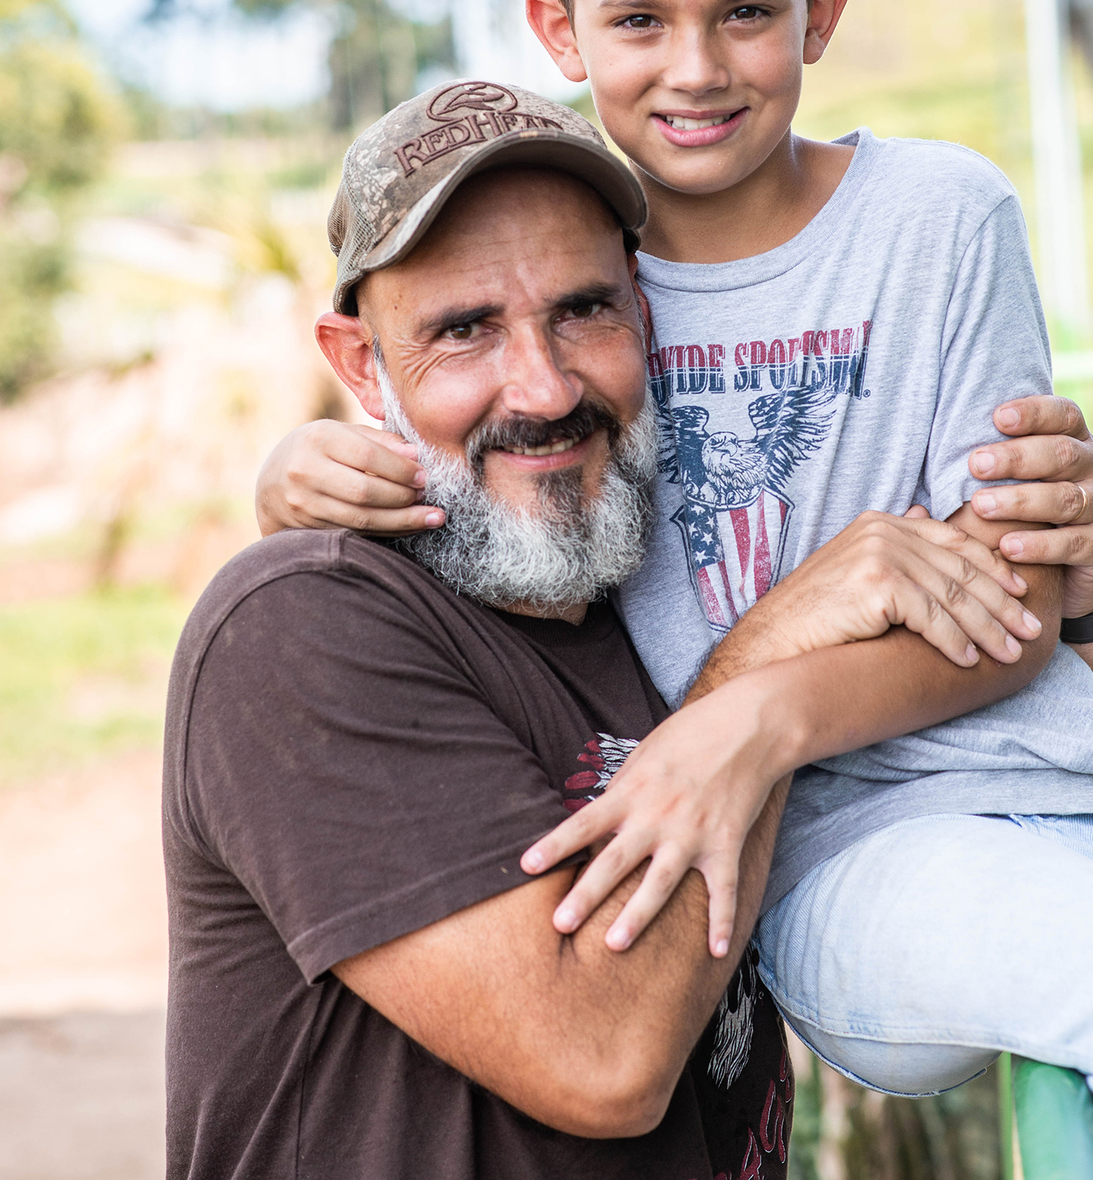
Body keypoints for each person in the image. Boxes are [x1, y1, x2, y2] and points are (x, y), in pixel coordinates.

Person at [254, 0, 1093, 1175]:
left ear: (821, 10)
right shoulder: (577, 292)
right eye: (641, 20)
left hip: (1085, 790)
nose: (695, 68)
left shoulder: (942, 218)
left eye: (746, 12)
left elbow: (1028, 604)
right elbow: (427, 479)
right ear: (562, 31)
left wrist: (766, 711)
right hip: (841, 851)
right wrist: (287, 477)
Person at [167, 105, 1043, 1178]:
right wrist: (763, 685)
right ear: (361, 364)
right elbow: (602, 1058)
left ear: (644, 315)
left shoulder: (642, 589)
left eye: (582, 311)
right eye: (464, 330)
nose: (544, 389)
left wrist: (1082, 575)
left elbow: (1029, 710)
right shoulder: (299, 624)